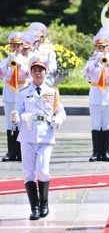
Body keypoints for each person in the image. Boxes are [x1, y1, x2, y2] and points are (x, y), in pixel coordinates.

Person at [11, 55, 66, 220]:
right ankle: (34, 207)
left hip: (45, 135)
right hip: (27, 134)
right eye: (35, 70)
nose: (38, 73)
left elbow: (61, 112)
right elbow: (18, 111)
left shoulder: (52, 92)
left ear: (45, 72)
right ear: (31, 72)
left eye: (40, 70)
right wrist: (16, 117)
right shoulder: (23, 93)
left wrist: (57, 120)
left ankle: (44, 202)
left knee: (42, 171)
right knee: (28, 173)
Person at [83, 30, 109, 162]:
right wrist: (96, 63)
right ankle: (96, 152)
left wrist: (108, 64)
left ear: (108, 47)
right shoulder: (92, 61)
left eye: (103, 47)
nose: (101, 49)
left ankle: (105, 152)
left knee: (106, 125)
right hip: (95, 96)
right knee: (95, 125)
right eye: (98, 47)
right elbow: (86, 74)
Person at [1, 32, 30, 162]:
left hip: (21, 91)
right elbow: (1, 74)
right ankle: (11, 152)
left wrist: (19, 64)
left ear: (22, 47)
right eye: (13, 45)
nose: (15, 48)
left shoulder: (26, 61)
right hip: (9, 93)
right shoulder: (5, 60)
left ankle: (21, 152)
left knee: (21, 122)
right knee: (9, 123)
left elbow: (29, 74)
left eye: (17, 46)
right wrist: (8, 63)